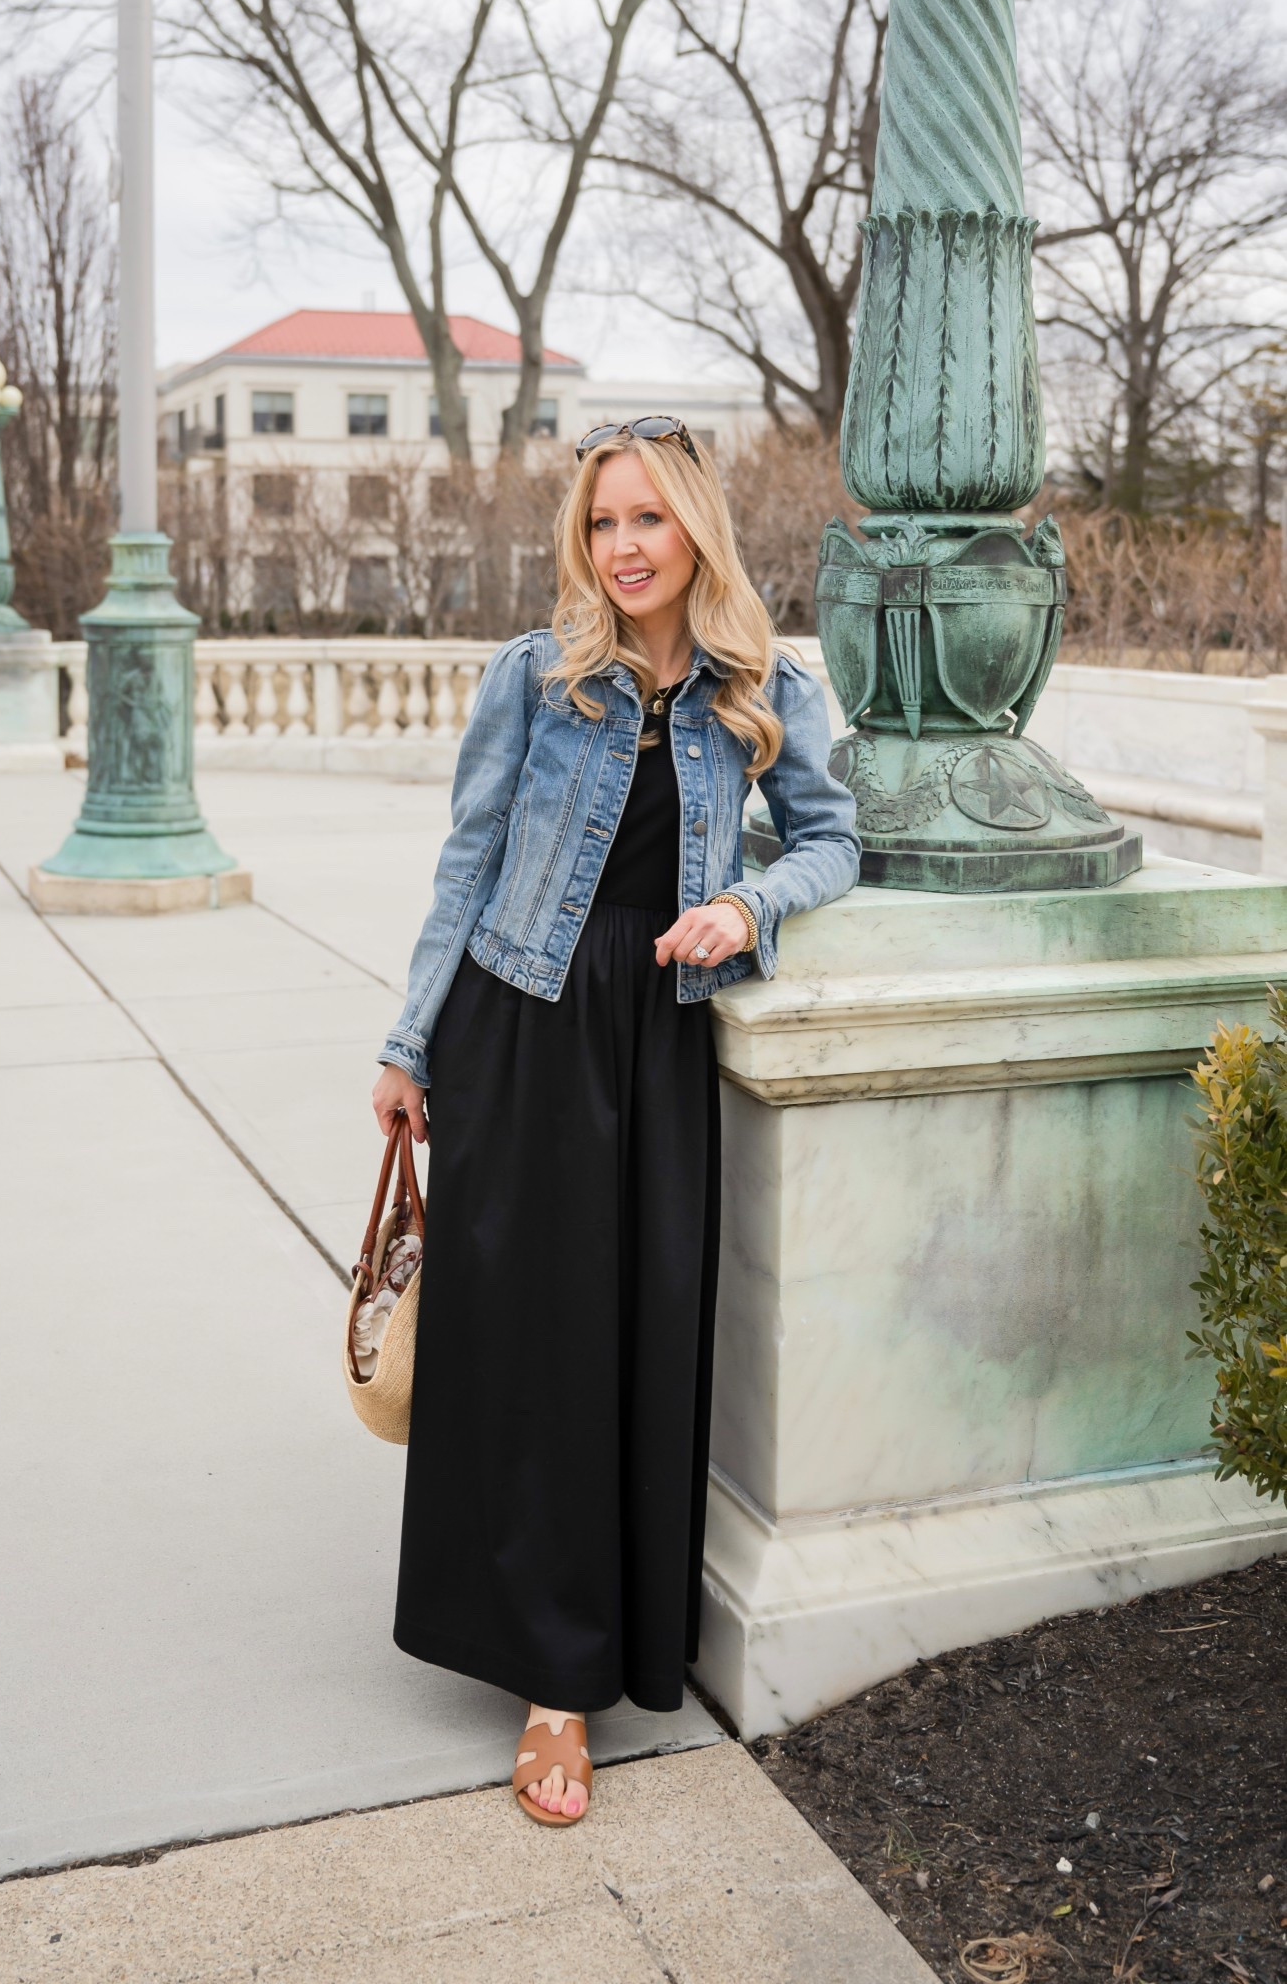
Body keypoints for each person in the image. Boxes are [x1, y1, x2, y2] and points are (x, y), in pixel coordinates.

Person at [371, 415, 859, 1827]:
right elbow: (469, 859)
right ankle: (550, 1689)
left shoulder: (764, 684)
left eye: (647, 519)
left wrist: (746, 904)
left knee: (626, 1344)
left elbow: (833, 840)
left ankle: (606, 1635)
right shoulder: (536, 676)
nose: (624, 547)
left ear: (696, 528)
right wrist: (410, 1041)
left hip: (654, 1039)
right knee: (524, 1351)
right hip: (520, 1024)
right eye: (601, 523)